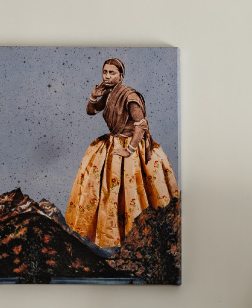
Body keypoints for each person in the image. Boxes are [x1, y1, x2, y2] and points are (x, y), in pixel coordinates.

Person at [65, 57, 179, 250]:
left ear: (121, 76)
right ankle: (110, 240)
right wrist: (93, 96)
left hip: (132, 148)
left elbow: (141, 125)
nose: (107, 76)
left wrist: (129, 150)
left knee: (132, 191)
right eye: (105, 72)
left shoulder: (129, 95)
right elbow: (91, 111)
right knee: (107, 192)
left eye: (112, 73)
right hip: (112, 143)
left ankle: (136, 242)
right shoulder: (109, 93)